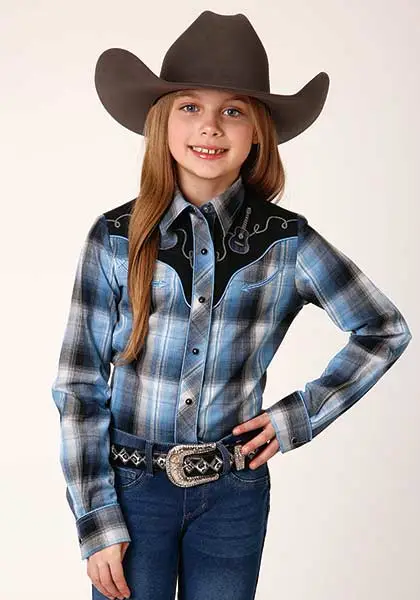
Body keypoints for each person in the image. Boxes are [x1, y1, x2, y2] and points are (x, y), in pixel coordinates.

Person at [51, 10, 412, 600]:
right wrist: (96, 519)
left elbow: (383, 328)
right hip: (131, 491)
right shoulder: (115, 237)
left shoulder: (286, 242)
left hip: (233, 496)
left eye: (233, 111)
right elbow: (78, 385)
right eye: (190, 106)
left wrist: (298, 417)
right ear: (162, 121)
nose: (211, 127)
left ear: (258, 131)